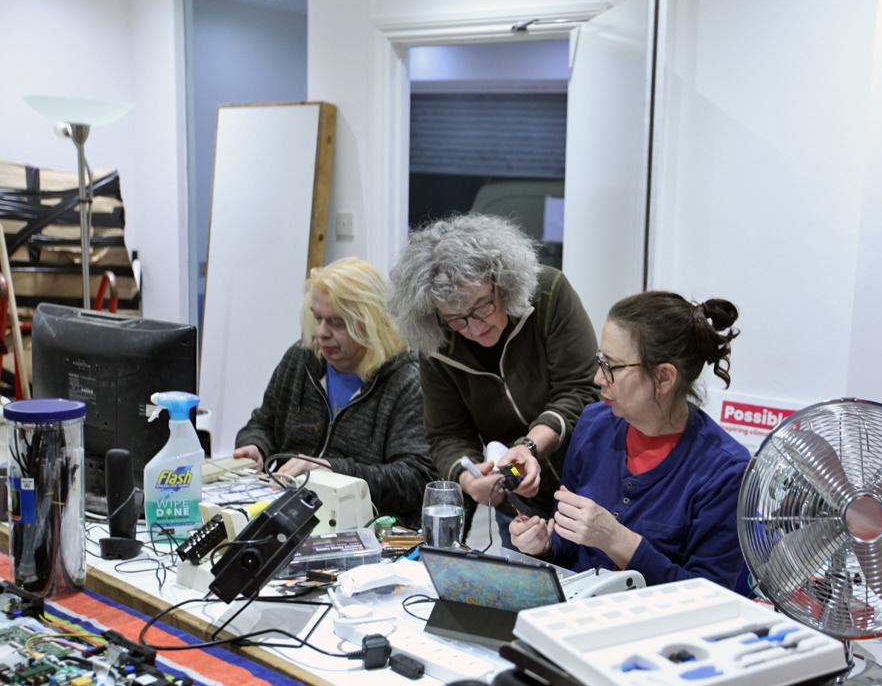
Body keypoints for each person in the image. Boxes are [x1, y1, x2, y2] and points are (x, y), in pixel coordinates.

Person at [510, 291, 750, 589]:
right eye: (600, 361)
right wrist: (545, 545)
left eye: (611, 366)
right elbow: (570, 547)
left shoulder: (725, 470)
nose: (598, 378)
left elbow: (709, 596)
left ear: (663, 378)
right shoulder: (594, 425)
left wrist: (617, 539)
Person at [388, 213, 600, 547]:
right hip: (519, 506)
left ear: (501, 281)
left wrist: (530, 445)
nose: (475, 328)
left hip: (590, 485)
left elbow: (581, 389)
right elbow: (446, 434)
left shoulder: (548, 294)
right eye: (457, 319)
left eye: (482, 307)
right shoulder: (437, 341)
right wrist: (469, 477)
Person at [234, 257, 436, 525]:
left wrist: (333, 471)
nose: (320, 333)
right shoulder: (301, 359)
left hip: (369, 531)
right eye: (318, 318)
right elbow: (262, 423)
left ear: (371, 322)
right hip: (289, 517)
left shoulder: (407, 380)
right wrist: (254, 446)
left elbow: (416, 479)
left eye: (337, 323)